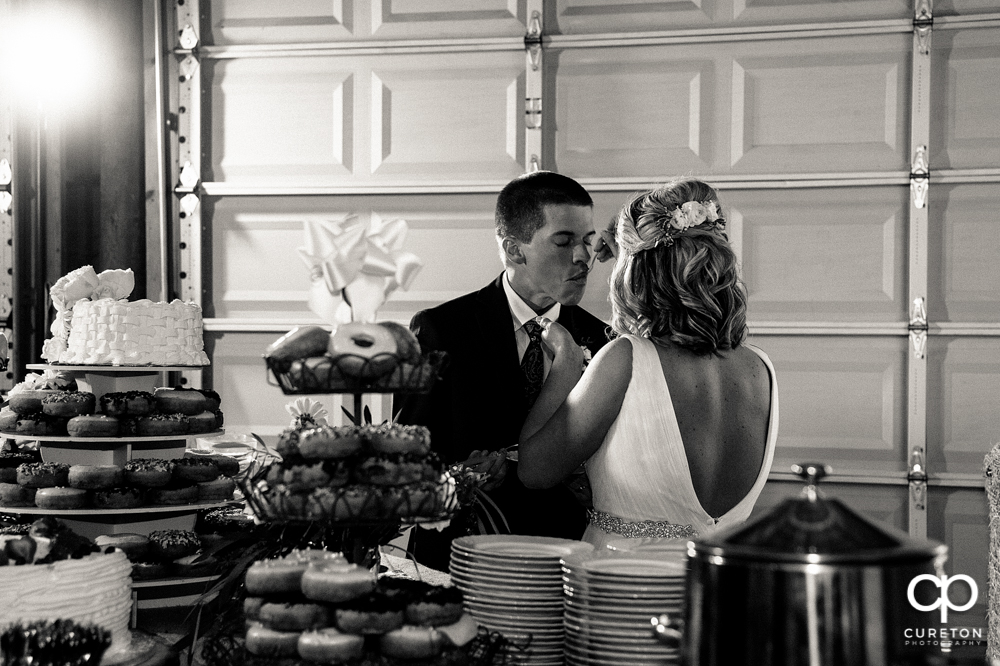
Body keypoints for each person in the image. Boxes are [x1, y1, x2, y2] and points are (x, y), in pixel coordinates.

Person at [517, 178, 778, 550]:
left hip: (628, 591)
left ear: (634, 271)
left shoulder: (627, 359)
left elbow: (534, 471)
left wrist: (566, 365)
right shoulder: (759, 369)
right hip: (721, 593)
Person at [394, 170, 610, 568]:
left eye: (588, 241)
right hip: (460, 557)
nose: (584, 258)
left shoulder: (604, 340)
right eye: (564, 241)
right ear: (514, 249)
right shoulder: (442, 329)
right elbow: (407, 456)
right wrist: (460, 476)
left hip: (563, 559)